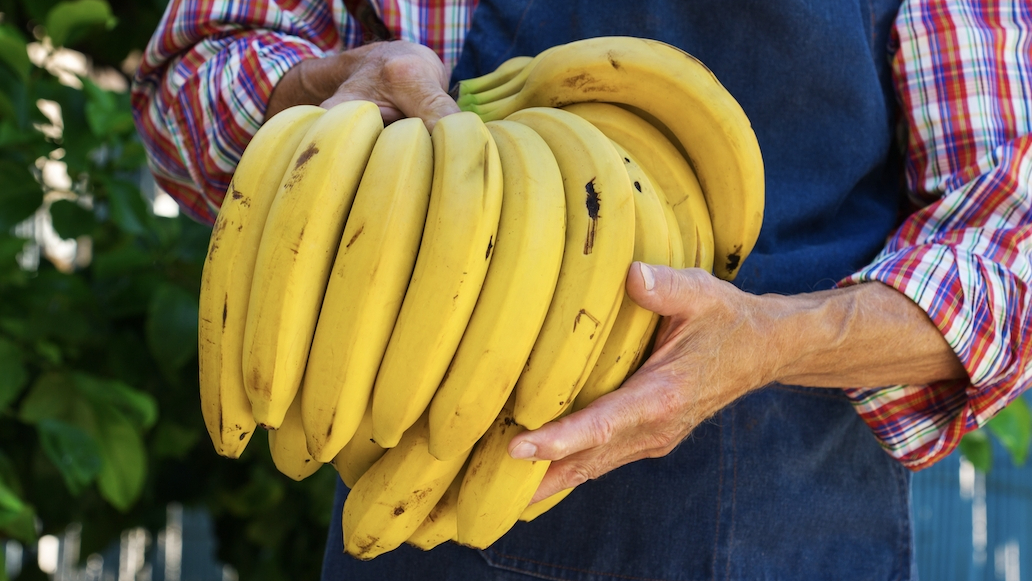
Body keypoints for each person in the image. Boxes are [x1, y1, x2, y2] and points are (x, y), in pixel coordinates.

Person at [132, 0, 1031, 578]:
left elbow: (1006, 253)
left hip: (789, 535)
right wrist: (313, 96)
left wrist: (773, 340)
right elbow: (193, 66)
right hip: (418, 507)